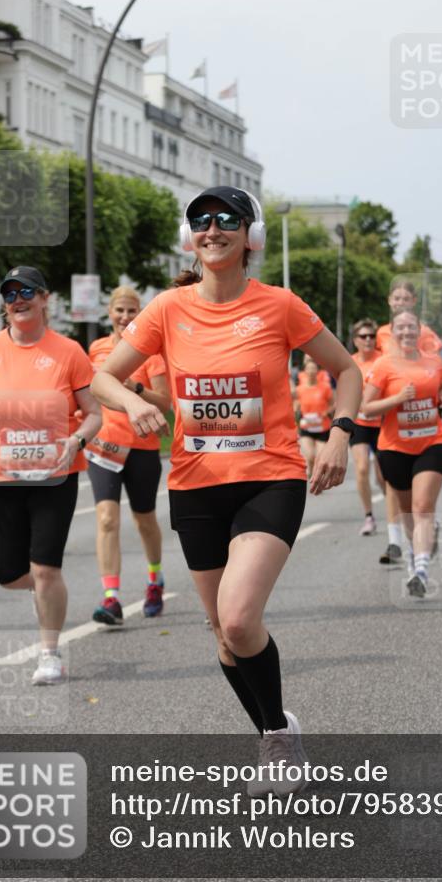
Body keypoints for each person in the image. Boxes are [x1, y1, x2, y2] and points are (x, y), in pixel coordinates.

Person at [92, 186, 361, 793]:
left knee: (240, 620)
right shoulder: (166, 308)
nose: (211, 229)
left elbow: (346, 369)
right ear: (192, 237)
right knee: (220, 633)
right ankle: (276, 729)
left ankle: (279, 745)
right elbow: (103, 378)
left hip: (270, 477)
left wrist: (341, 435)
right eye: (201, 221)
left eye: (226, 220)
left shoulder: (280, 305)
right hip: (195, 485)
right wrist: (133, 402)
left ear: (249, 236)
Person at [0, 267, 102, 685]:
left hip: (55, 476)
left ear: (45, 298)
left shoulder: (68, 351)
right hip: (3, 477)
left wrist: (78, 441)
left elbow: (93, 415)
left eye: (27, 291)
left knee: (46, 569)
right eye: (10, 293)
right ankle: (47, 590)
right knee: (9, 573)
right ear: (4, 303)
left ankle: (50, 653)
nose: (19, 299)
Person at [88, 286, 171, 625]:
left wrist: (134, 387)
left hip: (141, 447)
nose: (125, 317)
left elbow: (166, 403)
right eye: (119, 310)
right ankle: (112, 598)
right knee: (107, 518)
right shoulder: (96, 349)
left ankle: (154, 580)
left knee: (145, 521)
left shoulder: (150, 354)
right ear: (110, 312)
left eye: (132, 311)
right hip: (103, 446)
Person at [362, 310, 442, 598]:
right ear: (392, 332)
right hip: (395, 449)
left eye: (412, 327)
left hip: (432, 442)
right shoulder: (384, 365)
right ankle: (414, 556)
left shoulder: (435, 362)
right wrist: (398, 399)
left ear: (420, 331)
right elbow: (366, 408)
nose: (406, 332)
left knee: (423, 505)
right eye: (400, 328)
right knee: (408, 510)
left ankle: (422, 570)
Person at [350, 318, 385, 535]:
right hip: (360, 423)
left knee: (384, 477)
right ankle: (369, 516)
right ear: (355, 340)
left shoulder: (384, 360)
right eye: (363, 336)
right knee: (362, 468)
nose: (369, 340)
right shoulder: (349, 362)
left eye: (372, 336)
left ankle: (396, 510)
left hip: (383, 423)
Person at [293, 358, 334, 478]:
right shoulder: (299, 389)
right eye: (309, 368)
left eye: (313, 368)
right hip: (306, 427)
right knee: (310, 456)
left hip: (322, 427)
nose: (311, 371)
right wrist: (296, 411)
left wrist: (326, 412)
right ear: (304, 371)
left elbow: (333, 404)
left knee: (320, 457)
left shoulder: (325, 387)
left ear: (317, 371)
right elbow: (295, 405)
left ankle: (317, 477)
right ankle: (310, 471)